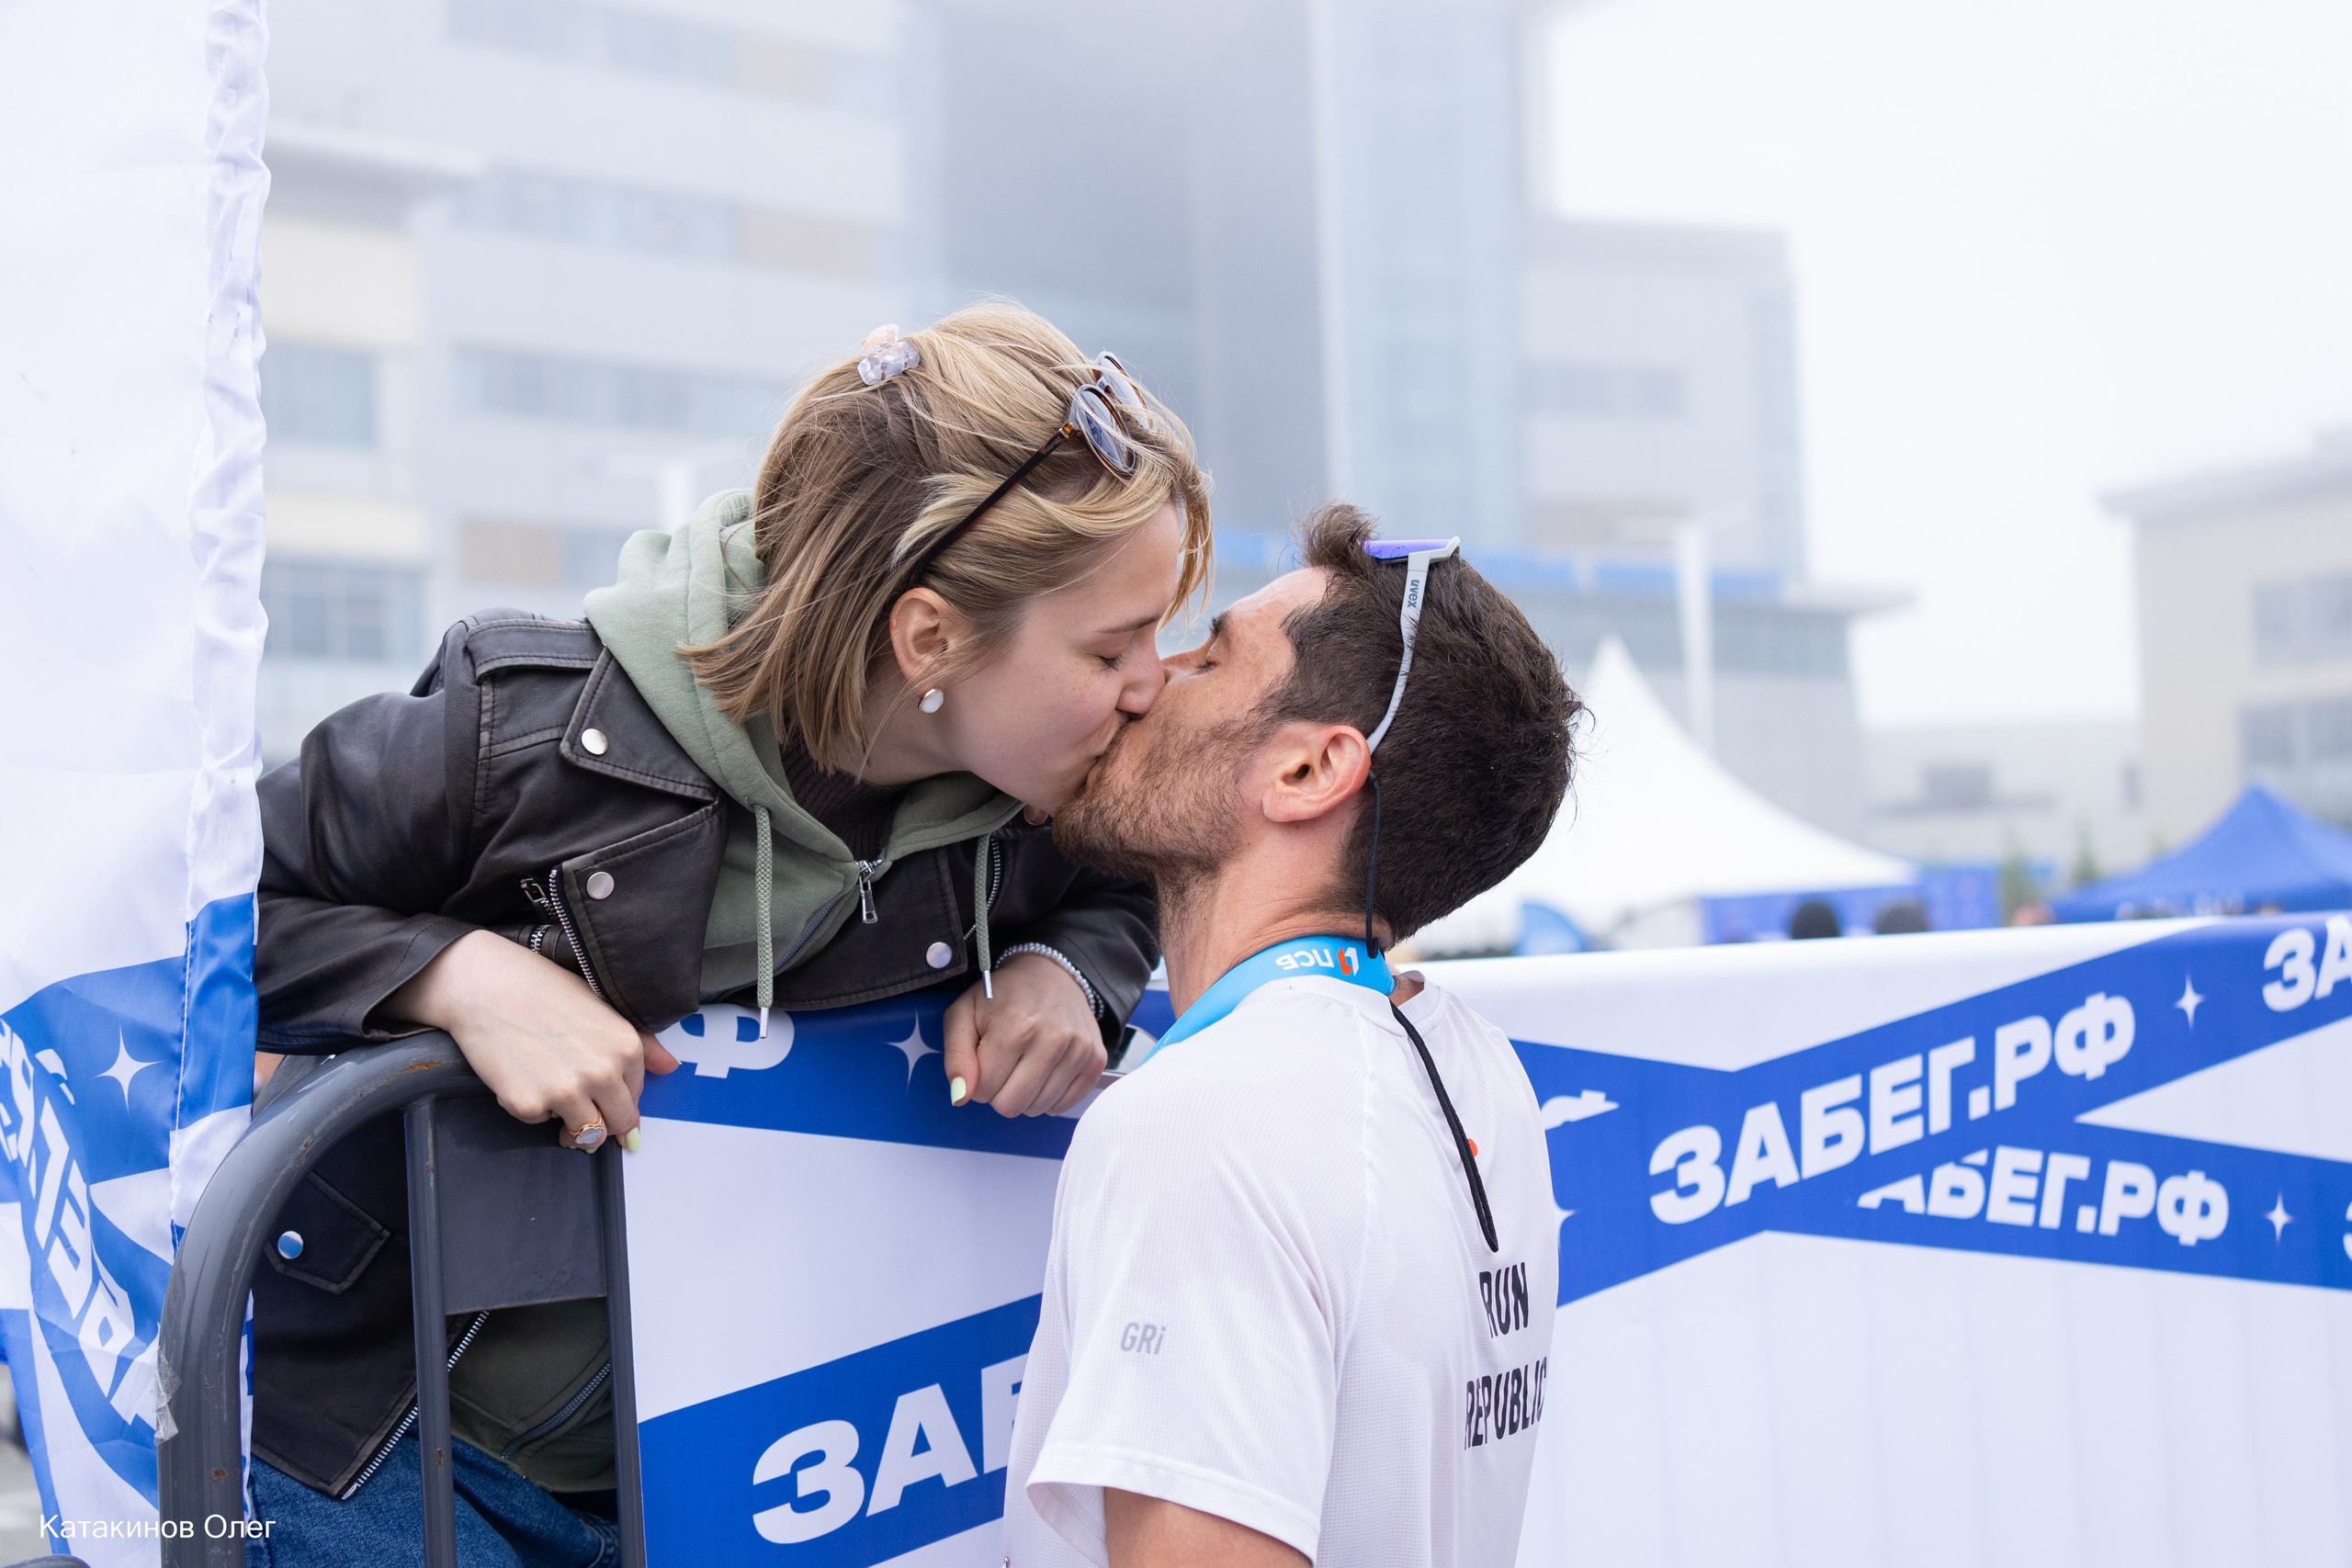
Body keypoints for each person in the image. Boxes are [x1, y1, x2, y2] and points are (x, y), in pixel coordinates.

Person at [243, 304, 1213, 1565]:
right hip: (394, 1461)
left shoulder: (1042, 790)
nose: (1156, 678)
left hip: (766, 1475)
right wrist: (449, 974)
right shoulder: (516, 731)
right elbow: (201, 913)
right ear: (929, 637)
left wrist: (1068, 969)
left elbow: (1134, 889)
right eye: (1113, 642)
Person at [1003, 504, 1582, 1568]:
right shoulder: (1470, 1067)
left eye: (1209, 659)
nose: (1147, 678)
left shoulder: (1208, 1119)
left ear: (1310, 772)